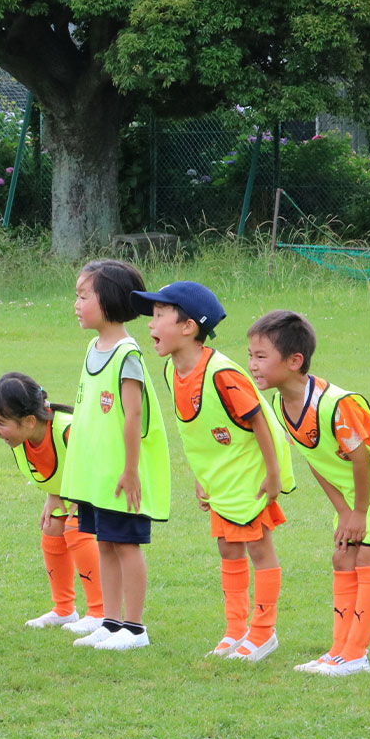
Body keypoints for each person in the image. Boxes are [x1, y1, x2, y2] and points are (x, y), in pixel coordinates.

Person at [247, 310, 370, 676]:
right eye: (250, 355)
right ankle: (338, 651)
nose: (253, 365)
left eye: (261, 356)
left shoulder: (338, 404)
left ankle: (355, 655)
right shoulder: (281, 404)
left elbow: (361, 458)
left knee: (367, 559)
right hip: (358, 497)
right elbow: (316, 460)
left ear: (294, 361)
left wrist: (359, 513)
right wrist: (343, 511)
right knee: (342, 559)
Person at [134, 281, 293, 662]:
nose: (151, 324)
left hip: (249, 476)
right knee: (227, 547)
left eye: (159, 316)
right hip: (220, 479)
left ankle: (263, 632)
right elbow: (201, 430)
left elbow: (259, 422)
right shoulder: (172, 371)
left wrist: (272, 475)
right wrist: (201, 476)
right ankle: (236, 630)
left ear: (188, 327)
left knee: (259, 547)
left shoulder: (221, 374)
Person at [60, 260, 171, 652]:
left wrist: (131, 470)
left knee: (125, 545)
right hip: (99, 476)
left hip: (122, 475)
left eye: (83, 296)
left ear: (107, 301)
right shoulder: (93, 347)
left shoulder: (127, 354)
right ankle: (110, 622)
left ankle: (135, 629)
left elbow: (133, 416)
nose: (76, 304)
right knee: (104, 543)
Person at [0, 372, 104, 633]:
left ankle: (100, 612)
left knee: (76, 528)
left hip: (107, 487)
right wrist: (53, 494)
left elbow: (101, 463)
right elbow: (55, 466)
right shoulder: (22, 439)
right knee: (52, 526)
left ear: (29, 421)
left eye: (0, 423)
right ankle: (64, 610)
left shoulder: (68, 430)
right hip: (76, 492)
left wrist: (81, 497)